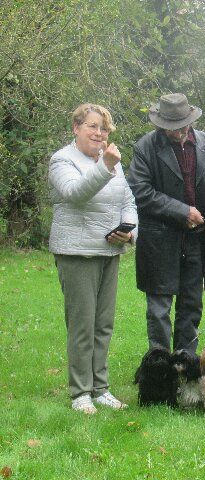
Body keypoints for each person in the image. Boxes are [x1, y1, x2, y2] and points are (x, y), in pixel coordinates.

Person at [49, 103, 137, 414]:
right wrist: (106, 166)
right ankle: (80, 393)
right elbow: (75, 193)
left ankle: (100, 388)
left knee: (103, 325)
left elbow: (128, 200)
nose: (99, 133)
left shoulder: (111, 162)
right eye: (92, 126)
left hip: (109, 251)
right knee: (82, 326)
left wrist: (130, 231)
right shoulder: (62, 160)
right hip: (77, 253)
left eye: (104, 128)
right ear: (76, 128)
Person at [128, 93, 205, 354]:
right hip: (159, 239)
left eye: (182, 127)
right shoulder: (145, 147)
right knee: (159, 309)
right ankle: (159, 368)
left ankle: (186, 365)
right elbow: (141, 191)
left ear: (190, 121)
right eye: (171, 128)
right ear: (160, 125)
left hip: (197, 239)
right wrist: (183, 212)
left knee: (191, 305)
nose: (178, 132)